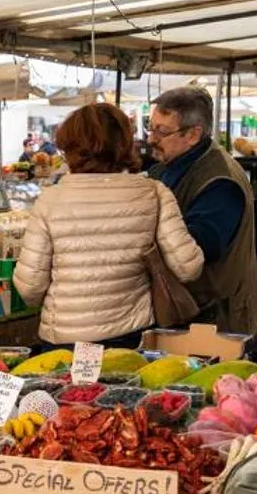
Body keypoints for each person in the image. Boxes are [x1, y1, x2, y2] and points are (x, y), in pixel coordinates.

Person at [15, 104, 203, 346]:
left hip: (65, 339)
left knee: (68, 386)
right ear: (124, 143)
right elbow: (189, 267)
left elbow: (30, 287)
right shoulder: (154, 193)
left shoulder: (50, 199)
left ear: (69, 147)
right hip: (130, 336)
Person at [146, 85, 257, 336]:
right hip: (187, 313)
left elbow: (199, 247)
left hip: (216, 320)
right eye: (151, 127)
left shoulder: (220, 182)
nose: (151, 138)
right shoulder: (170, 165)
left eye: (162, 131)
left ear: (193, 135)